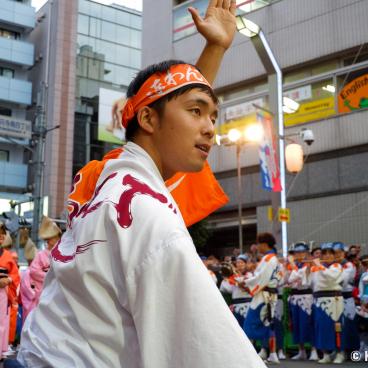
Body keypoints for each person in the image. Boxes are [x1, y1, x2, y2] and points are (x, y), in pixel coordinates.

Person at [15, 2, 266, 368]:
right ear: (146, 118)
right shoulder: (146, 211)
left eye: (214, 116)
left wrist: (215, 50)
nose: (211, 128)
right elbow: (216, 350)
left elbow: (166, 119)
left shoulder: (111, 180)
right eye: (197, 113)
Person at [243, 232, 281, 364]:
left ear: (264, 244)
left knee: (252, 323)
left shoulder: (270, 258)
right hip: (267, 294)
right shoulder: (271, 258)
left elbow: (262, 278)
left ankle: (256, 354)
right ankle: (270, 353)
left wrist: (246, 281)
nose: (257, 246)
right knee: (266, 324)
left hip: (264, 295)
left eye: (258, 243)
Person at [311, 242, 344, 364]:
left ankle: (340, 352)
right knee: (322, 327)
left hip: (334, 300)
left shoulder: (337, 266)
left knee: (337, 326)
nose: (328, 256)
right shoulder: (317, 268)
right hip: (319, 300)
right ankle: (325, 353)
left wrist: (319, 266)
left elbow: (331, 277)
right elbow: (311, 283)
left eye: (331, 254)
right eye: (325, 254)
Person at [287, 242, 316, 361]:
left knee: (308, 323)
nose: (299, 255)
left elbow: (304, 280)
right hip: (294, 297)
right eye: (297, 253)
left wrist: (293, 266)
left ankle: (314, 350)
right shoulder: (294, 266)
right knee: (296, 324)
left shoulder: (308, 265)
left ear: (306, 253)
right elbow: (288, 280)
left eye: (302, 252)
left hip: (306, 297)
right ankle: (301, 350)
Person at [333, 241, 360, 356]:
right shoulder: (334, 265)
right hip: (335, 298)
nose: (337, 255)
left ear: (344, 253)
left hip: (347, 298)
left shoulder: (348, 265)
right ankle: (339, 348)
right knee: (337, 325)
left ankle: (352, 351)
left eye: (340, 253)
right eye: (335, 253)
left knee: (349, 325)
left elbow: (342, 282)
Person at [0, 223, 20, 361]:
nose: (1, 236)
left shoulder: (7, 255)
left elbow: (16, 275)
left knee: (1, 322)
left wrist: (9, 280)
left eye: (2, 233)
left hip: (2, 293)